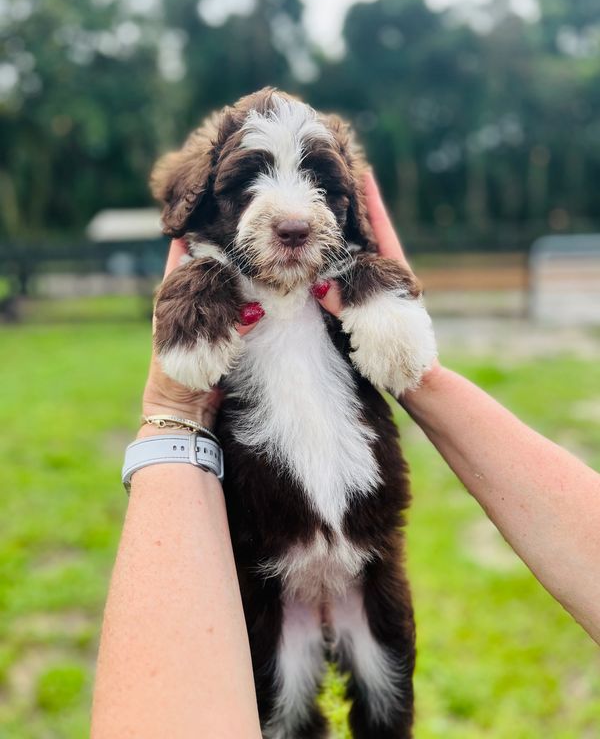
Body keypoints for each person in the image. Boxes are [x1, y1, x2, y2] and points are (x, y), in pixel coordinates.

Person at [91, 173, 600, 739]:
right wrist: (189, 332)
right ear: (208, 199)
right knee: (280, 724)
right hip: (270, 575)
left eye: (324, 187)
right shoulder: (211, 273)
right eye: (250, 182)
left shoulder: (351, 272)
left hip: (367, 562)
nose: (293, 211)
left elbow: (397, 343)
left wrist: (392, 317)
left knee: (387, 715)